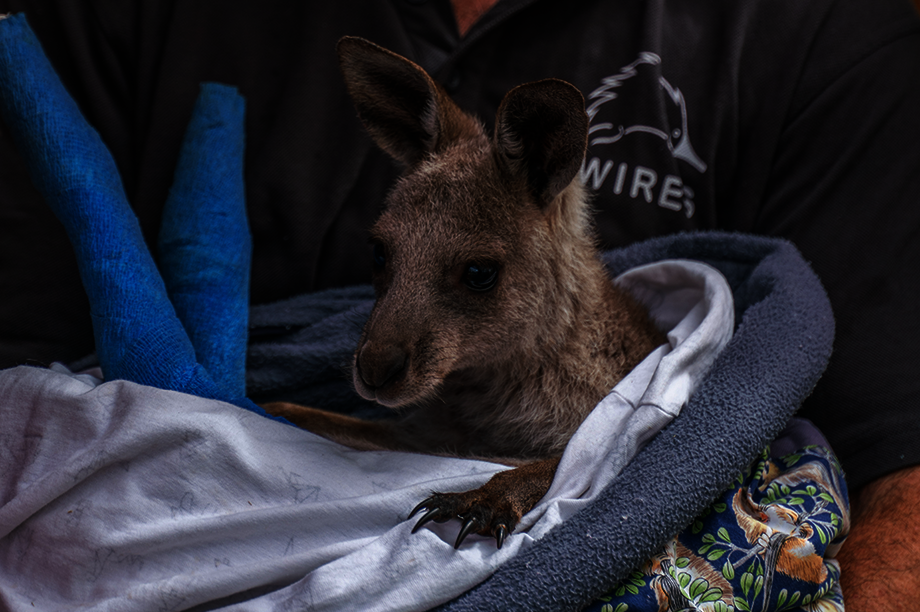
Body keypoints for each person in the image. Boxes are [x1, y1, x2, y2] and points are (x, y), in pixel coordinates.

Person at [0, 0, 917, 607]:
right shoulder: (126, 19)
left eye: (473, 277)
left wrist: (527, 487)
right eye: (385, 268)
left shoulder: (816, 36)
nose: (381, 344)